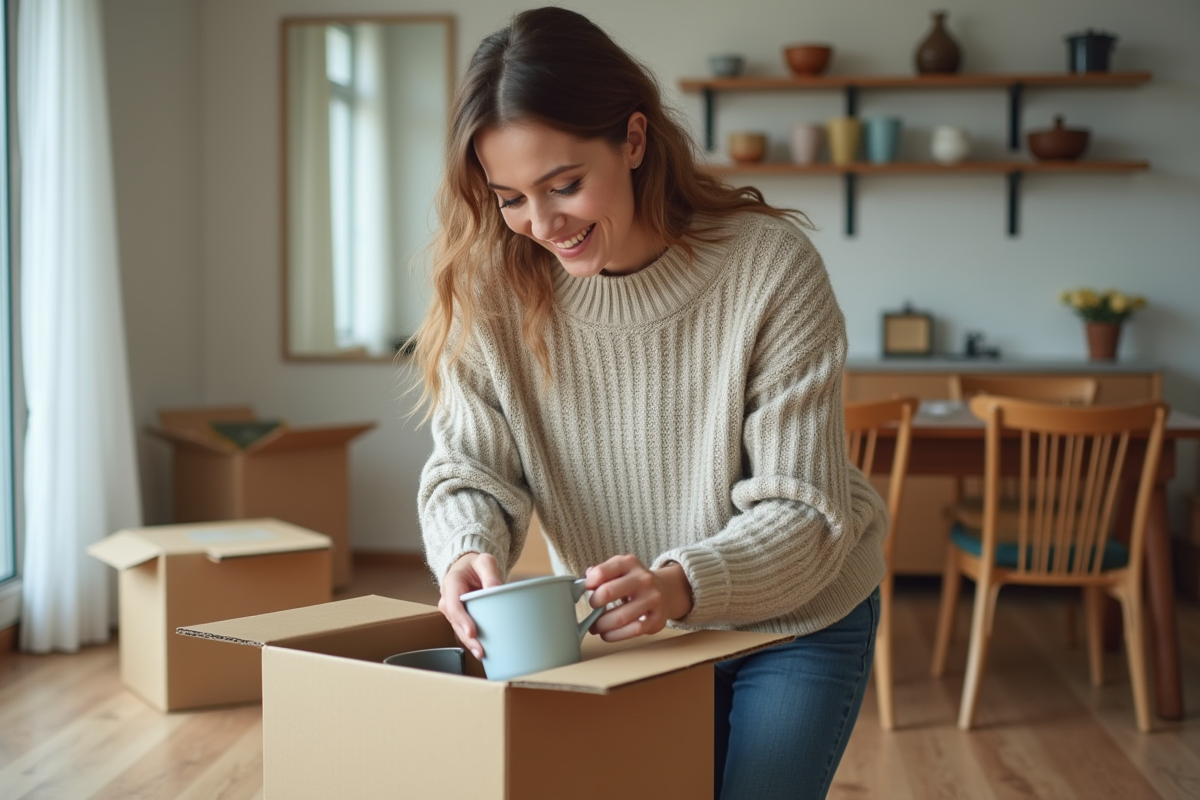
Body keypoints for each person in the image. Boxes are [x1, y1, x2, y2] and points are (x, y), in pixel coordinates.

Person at [413, 7, 888, 799]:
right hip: (632, 628)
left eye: (564, 185)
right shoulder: (496, 289)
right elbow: (468, 465)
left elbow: (803, 510)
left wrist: (678, 585)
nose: (542, 225)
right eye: (511, 198)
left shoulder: (769, 269)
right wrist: (465, 546)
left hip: (794, 621)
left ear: (633, 140)